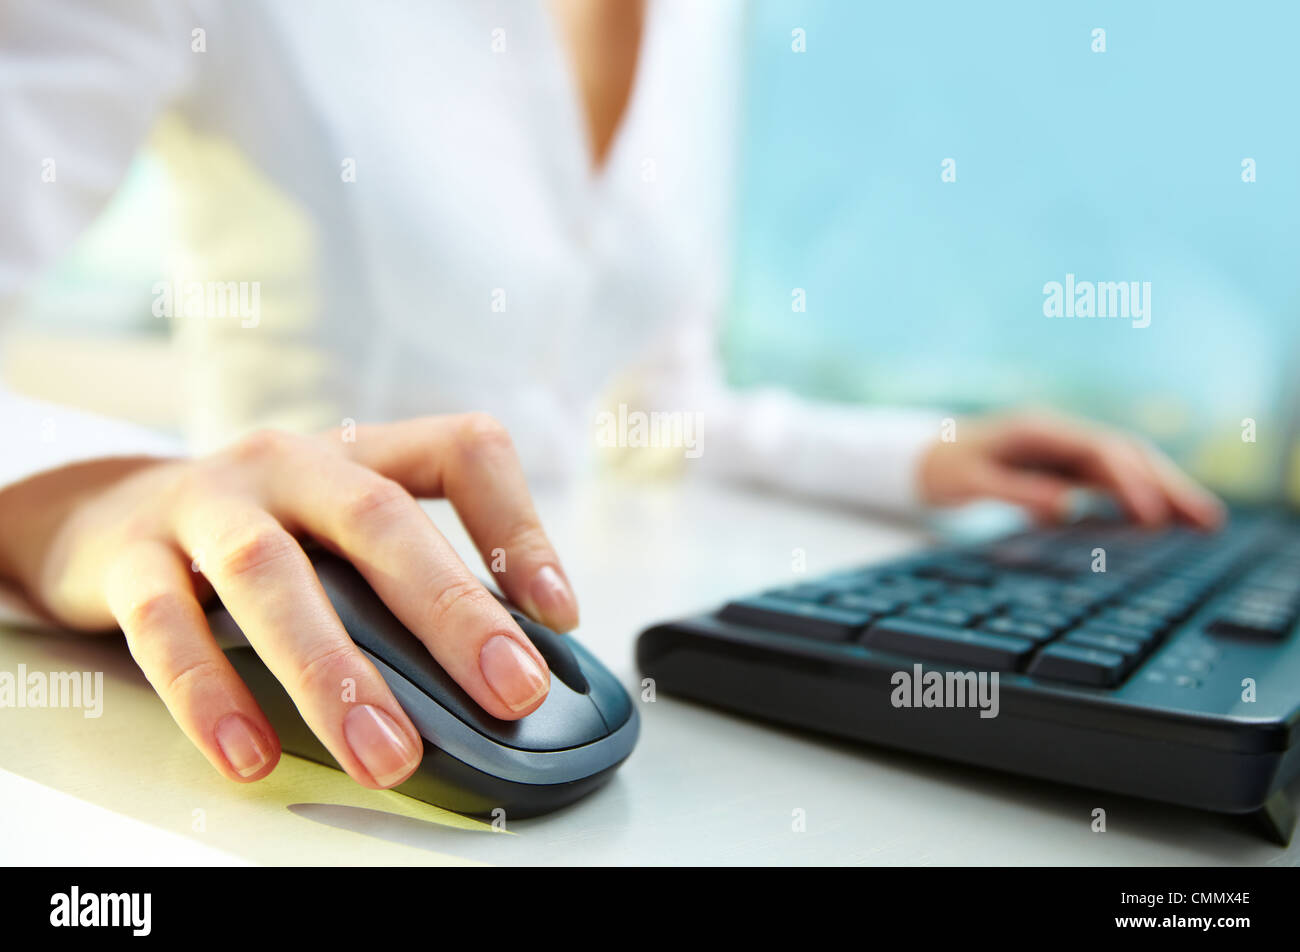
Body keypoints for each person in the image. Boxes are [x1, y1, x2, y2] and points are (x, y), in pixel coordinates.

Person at [0, 1, 1223, 791]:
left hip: (603, 612)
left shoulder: (701, 20)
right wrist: (84, 502)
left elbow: (653, 396)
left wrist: (921, 456)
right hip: (282, 618)